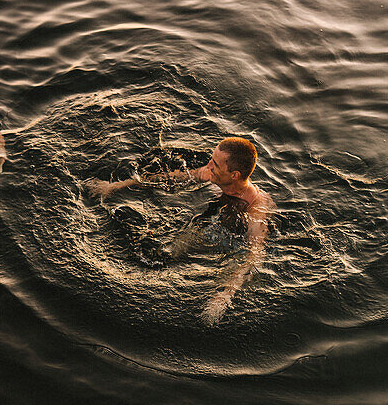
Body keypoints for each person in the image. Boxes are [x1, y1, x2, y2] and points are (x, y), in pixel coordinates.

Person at [84, 137, 274, 325]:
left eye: (215, 163)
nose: (208, 165)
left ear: (235, 175)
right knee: (165, 255)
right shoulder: (212, 174)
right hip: (208, 220)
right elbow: (174, 177)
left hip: (230, 240)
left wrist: (225, 295)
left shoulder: (257, 207)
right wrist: (115, 187)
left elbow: (253, 255)